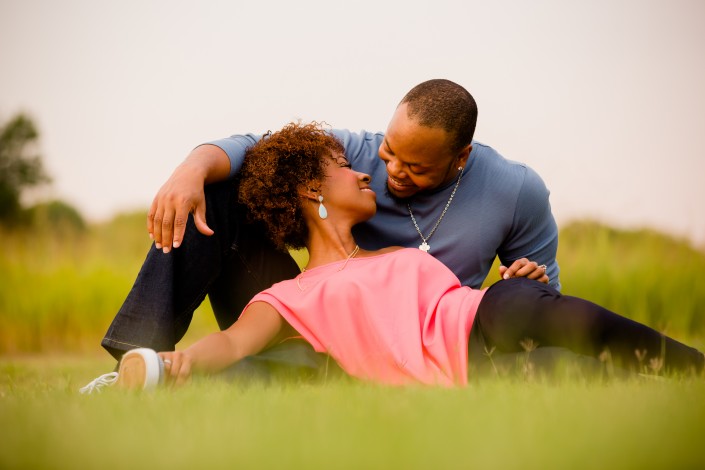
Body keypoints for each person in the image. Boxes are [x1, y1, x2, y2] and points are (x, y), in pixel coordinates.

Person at [81, 122, 702, 393]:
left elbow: (450, 298)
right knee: (576, 376)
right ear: (311, 190)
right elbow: (237, 343)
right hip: (460, 371)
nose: (367, 170)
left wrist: (523, 274)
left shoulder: (390, 246)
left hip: (486, 313)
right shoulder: (289, 297)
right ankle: (133, 371)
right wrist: (178, 361)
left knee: (560, 317)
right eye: (346, 168)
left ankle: (695, 368)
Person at [101, 79, 558, 373]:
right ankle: (137, 365)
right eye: (389, 150)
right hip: (325, 314)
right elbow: (259, 149)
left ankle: (250, 373)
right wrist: (191, 170)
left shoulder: (516, 192)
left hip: (429, 336)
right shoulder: (351, 157)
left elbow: (546, 307)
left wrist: (524, 282)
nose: (390, 170)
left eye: (414, 165)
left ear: (461, 157)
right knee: (218, 194)